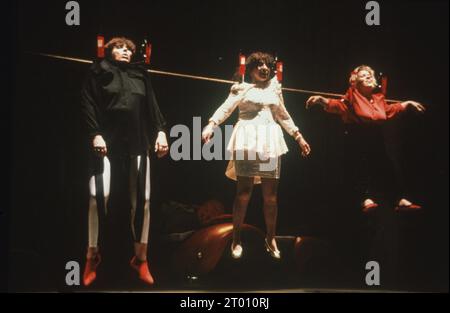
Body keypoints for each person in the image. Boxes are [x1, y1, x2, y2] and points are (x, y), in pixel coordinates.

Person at [202, 52, 311, 259]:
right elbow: (226, 108)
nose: (264, 68)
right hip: (247, 138)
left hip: (270, 139)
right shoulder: (241, 87)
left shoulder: (274, 89)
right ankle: (236, 237)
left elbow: (283, 115)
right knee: (243, 193)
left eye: (267, 65)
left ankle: (270, 237)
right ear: (251, 69)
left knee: (270, 197)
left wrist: (298, 136)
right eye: (259, 65)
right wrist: (211, 124)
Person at [80, 37, 169, 286]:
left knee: (144, 199)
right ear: (109, 51)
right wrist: (95, 133)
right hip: (106, 142)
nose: (126, 52)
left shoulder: (140, 74)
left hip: (138, 142)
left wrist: (161, 131)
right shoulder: (98, 71)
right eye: (120, 48)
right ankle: (91, 256)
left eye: (129, 49)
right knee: (99, 195)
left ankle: (141, 259)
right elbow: (87, 103)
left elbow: (152, 106)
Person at [306, 65, 425, 213]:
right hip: (357, 135)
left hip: (375, 135)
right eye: (363, 76)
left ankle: (398, 199)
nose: (368, 77)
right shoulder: (352, 96)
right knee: (360, 167)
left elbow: (387, 111)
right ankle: (365, 198)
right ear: (355, 82)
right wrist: (321, 100)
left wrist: (407, 104)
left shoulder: (378, 98)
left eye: (369, 75)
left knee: (385, 167)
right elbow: (338, 105)